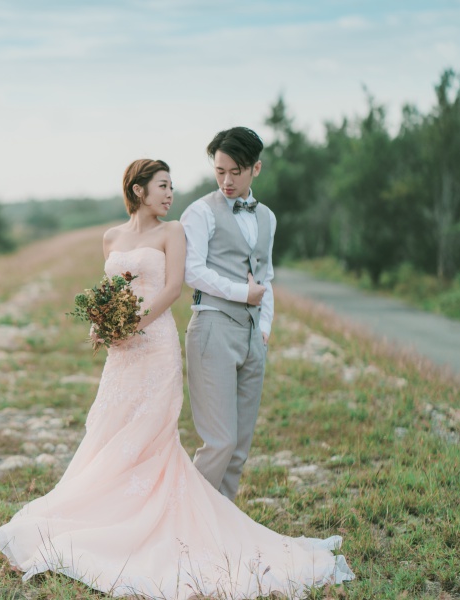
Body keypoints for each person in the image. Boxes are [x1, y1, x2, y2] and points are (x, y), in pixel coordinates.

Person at [0, 158, 353, 598]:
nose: (170, 194)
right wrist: (102, 323)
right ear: (139, 190)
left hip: (156, 346)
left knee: (151, 436)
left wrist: (133, 325)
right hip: (121, 355)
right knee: (109, 431)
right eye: (162, 186)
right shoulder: (111, 238)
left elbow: (172, 290)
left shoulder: (174, 232)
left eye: (172, 187)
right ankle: (107, 515)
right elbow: (111, 291)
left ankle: (161, 524)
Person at [179, 126, 274, 501]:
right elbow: (192, 271)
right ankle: (186, 528)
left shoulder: (268, 216)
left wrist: (264, 327)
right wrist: (242, 294)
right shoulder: (201, 211)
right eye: (220, 171)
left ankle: (222, 533)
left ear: (256, 169)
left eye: (236, 171)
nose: (227, 180)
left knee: (239, 449)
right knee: (219, 442)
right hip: (213, 328)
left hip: (253, 337)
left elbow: (268, 275)